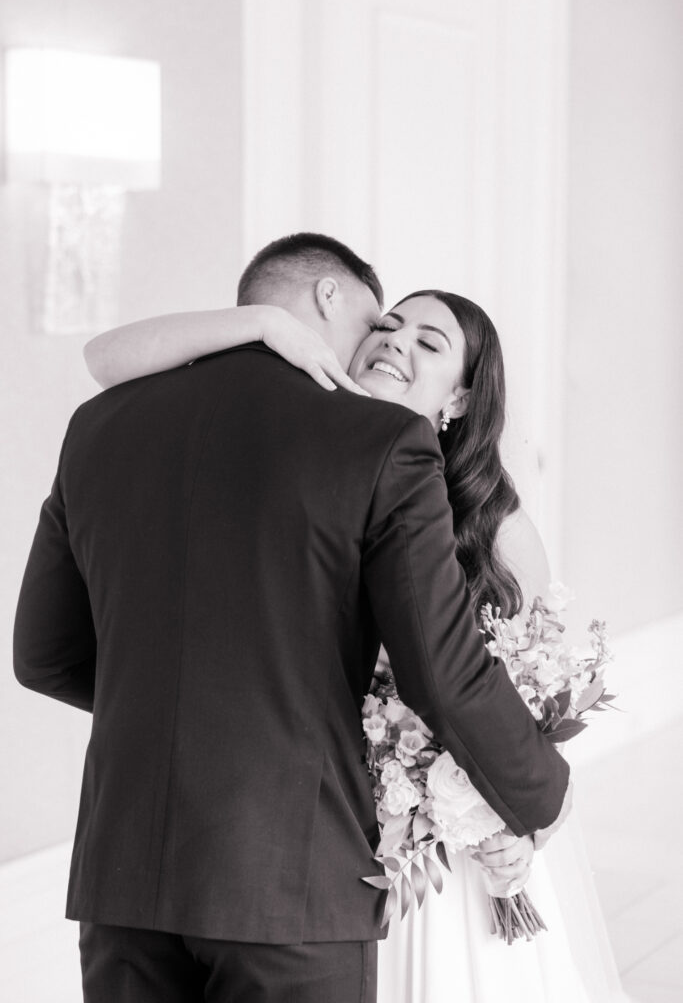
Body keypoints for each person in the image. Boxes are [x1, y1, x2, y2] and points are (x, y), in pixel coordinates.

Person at [14, 233, 570, 1003]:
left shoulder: (99, 424)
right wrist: (542, 796)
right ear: (328, 300)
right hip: (288, 882)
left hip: (122, 877)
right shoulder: (379, 441)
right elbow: (441, 670)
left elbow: (43, 655)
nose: (379, 348)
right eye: (378, 323)